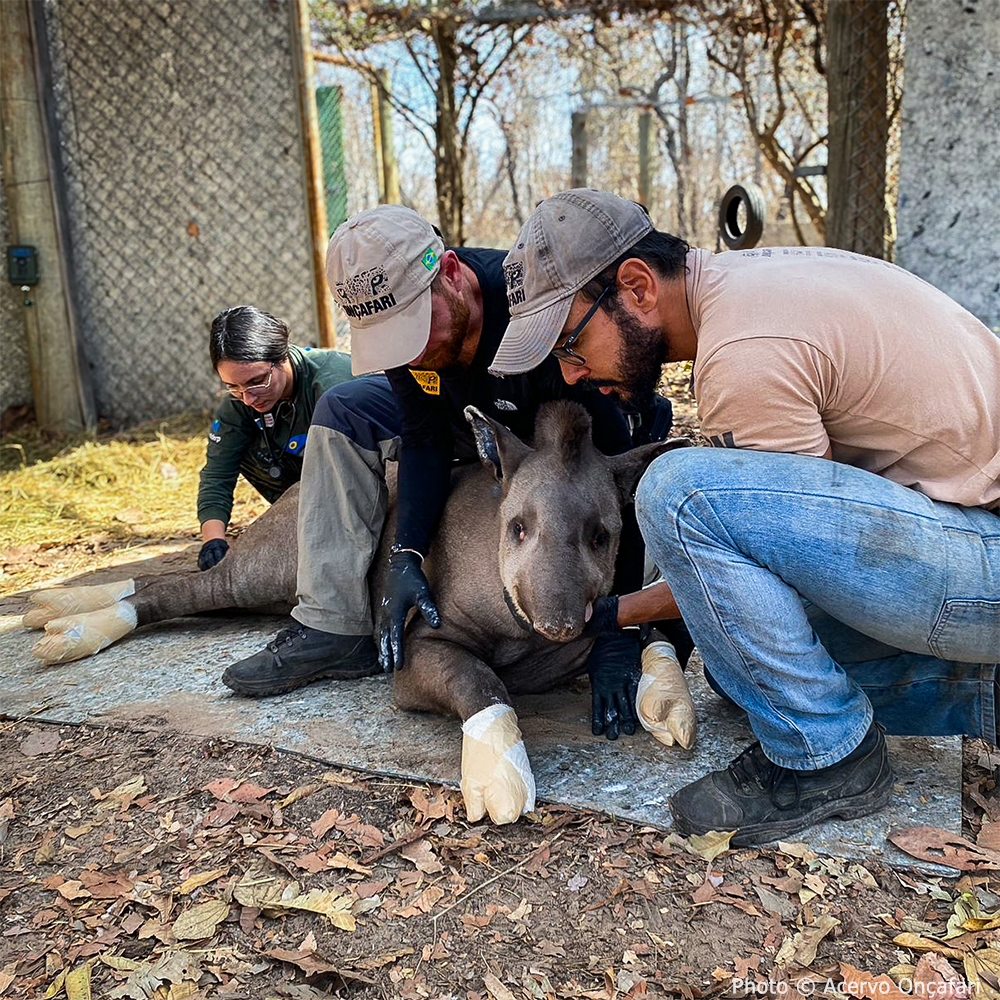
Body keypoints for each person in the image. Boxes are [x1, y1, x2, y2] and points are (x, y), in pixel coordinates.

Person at [488, 187, 1000, 845]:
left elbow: (777, 571)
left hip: (983, 560)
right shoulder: (752, 287)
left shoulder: (742, 356)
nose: (572, 373)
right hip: (970, 543)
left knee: (681, 491)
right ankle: (983, 694)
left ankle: (828, 758)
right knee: (745, 676)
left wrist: (612, 615)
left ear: (638, 287)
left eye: (571, 343)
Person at [222, 205, 675, 741]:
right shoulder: (410, 350)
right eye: (391, 337)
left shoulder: (534, 307)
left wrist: (618, 636)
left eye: (416, 326)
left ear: (452, 274)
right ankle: (333, 623)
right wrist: (407, 554)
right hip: (472, 424)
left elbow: (606, 489)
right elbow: (423, 439)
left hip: (552, 441)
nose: (411, 351)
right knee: (344, 409)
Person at [197, 305, 353, 570]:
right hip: (301, 494)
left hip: (350, 485)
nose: (248, 398)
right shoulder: (240, 404)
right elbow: (217, 475)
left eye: (257, 381)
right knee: (233, 442)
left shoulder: (332, 386)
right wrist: (213, 541)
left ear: (282, 357)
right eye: (232, 386)